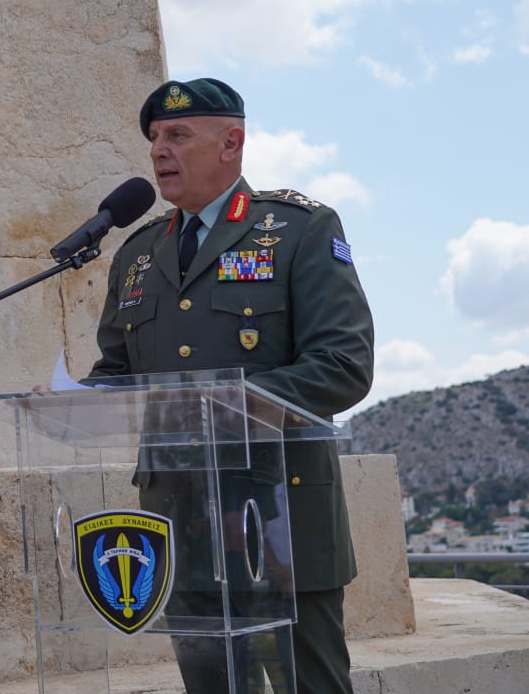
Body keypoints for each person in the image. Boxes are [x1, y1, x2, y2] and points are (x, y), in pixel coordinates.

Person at [87, 78, 374, 693]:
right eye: (155, 138)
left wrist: (229, 404)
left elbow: (344, 364)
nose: (159, 150)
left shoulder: (299, 230)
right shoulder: (136, 255)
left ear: (232, 142)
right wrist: (69, 401)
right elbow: (117, 373)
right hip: (180, 520)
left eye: (178, 135)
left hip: (281, 522)